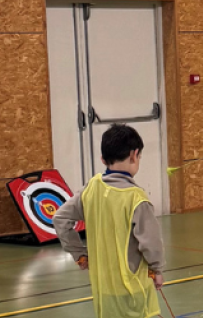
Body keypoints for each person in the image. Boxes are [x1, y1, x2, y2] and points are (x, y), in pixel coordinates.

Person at [53, 124, 165, 318]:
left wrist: (79, 254)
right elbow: (151, 242)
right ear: (134, 155)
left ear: (103, 160)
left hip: (103, 291)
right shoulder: (136, 198)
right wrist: (157, 269)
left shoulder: (91, 188)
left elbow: (60, 218)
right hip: (133, 289)